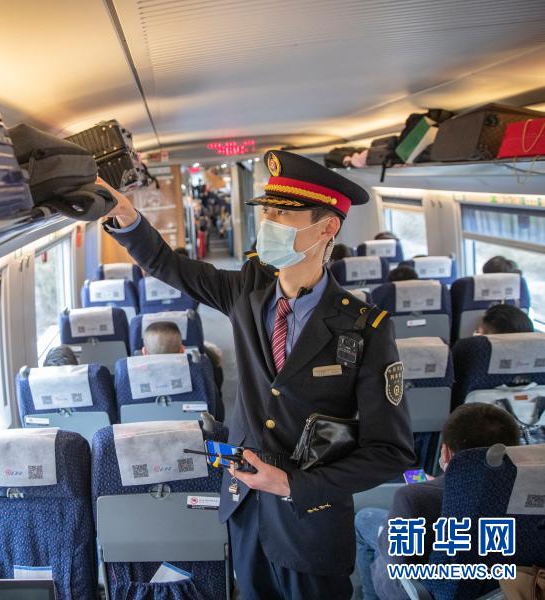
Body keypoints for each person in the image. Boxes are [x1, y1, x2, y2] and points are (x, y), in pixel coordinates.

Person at [98, 150, 414, 599]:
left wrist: (292, 484)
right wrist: (128, 219)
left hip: (311, 521)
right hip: (244, 506)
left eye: (282, 214)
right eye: (266, 212)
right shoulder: (247, 289)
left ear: (327, 228)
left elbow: (390, 452)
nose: (267, 223)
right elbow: (170, 266)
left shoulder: (365, 328)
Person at [354, 403, 520, 600]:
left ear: (446, 452)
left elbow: (399, 567)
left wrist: (430, 487)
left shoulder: (413, 497)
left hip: (426, 590)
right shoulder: (527, 494)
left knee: (364, 519)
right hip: (502, 589)